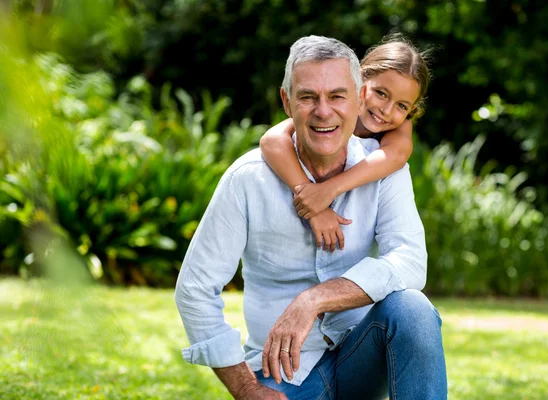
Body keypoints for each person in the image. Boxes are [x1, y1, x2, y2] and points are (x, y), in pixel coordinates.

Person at [175, 35, 447, 399]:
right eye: (308, 97)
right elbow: (195, 289)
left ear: (355, 96)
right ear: (287, 102)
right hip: (284, 370)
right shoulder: (248, 179)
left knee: (412, 309)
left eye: (337, 96)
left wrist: (315, 299)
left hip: (361, 357)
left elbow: (411, 262)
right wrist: (245, 389)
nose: (323, 111)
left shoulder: (386, 167)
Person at [260, 33, 431, 253]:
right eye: (381, 93)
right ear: (359, 82)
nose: (386, 110)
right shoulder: (329, 110)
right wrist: (312, 199)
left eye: (402, 106)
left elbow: (395, 157)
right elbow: (271, 141)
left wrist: (328, 190)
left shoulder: (399, 128)